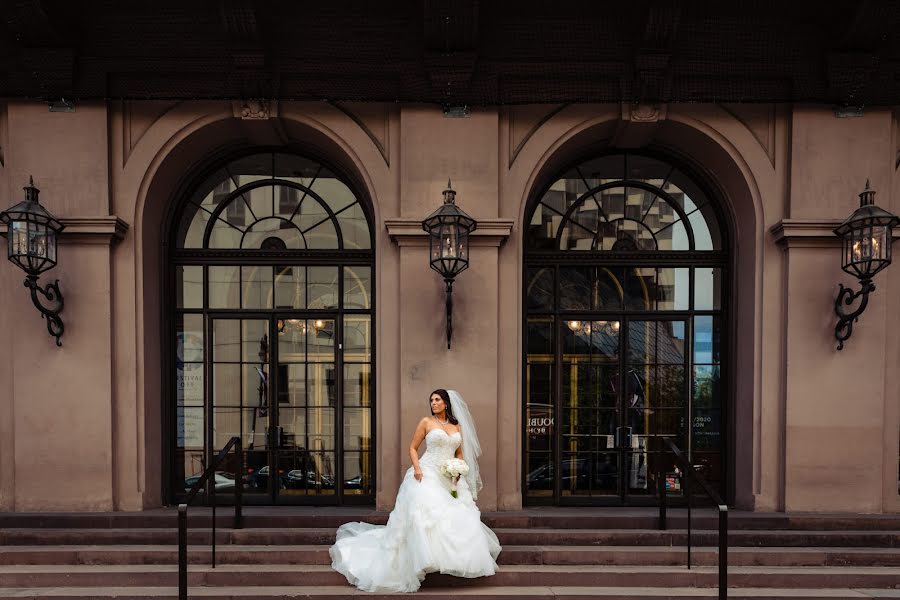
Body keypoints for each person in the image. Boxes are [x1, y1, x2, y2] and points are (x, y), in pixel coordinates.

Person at [330, 389, 501, 593]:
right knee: (425, 513)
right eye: (431, 400)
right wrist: (418, 469)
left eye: (437, 400)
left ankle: (450, 560)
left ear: (446, 403)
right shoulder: (426, 422)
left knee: (457, 515)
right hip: (426, 472)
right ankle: (422, 560)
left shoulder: (456, 426)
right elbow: (412, 448)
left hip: (449, 477)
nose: (434, 403)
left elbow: (459, 452)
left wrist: (458, 469)